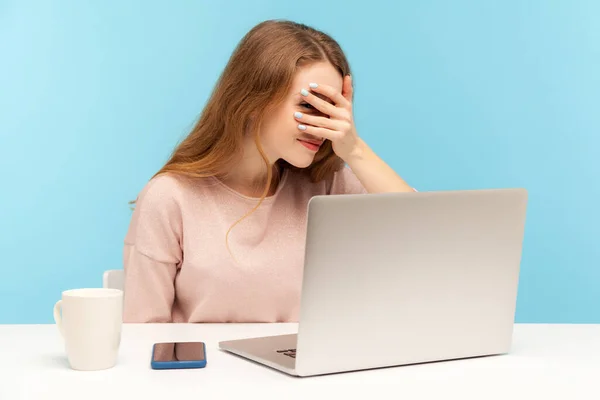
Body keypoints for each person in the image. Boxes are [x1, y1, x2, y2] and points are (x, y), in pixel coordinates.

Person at [123, 19, 417, 324]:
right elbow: (142, 334)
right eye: (308, 105)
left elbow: (420, 236)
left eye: (331, 109)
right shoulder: (169, 198)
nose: (322, 125)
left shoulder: (327, 184)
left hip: (303, 368)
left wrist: (355, 150)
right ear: (253, 100)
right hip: (206, 370)